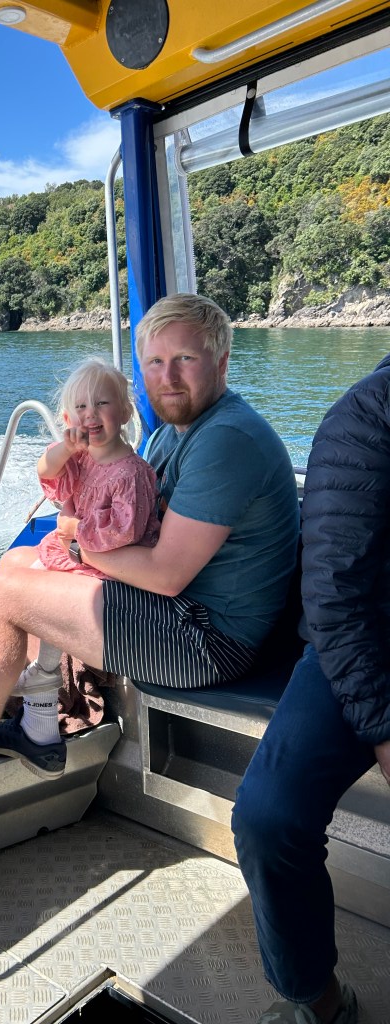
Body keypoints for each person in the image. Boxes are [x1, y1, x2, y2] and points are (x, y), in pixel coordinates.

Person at [0, 292, 301, 801]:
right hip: (177, 613)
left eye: (185, 359)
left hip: (207, 640)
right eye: (155, 362)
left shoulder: (227, 439)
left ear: (222, 361)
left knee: (8, 594)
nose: (168, 376)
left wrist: (74, 542)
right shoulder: (173, 434)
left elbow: (166, 574)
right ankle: (38, 731)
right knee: (14, 562)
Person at [232, 354, 390, 1024]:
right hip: (362, 646)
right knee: (268, 817)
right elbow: (333, 599)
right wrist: (384, 730)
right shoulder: (365, 420)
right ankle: (316, 1000)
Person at [0, 356, 161, 695]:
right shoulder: (81, 459)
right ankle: (37, 667)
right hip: (83, 554)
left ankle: (42, 665)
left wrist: (73, 531)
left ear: (125, 412)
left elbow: (122, 532)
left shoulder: (132, 473)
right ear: (69, 418)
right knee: (16, 567)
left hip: (116, 568)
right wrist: (66, 448)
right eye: (81, 406)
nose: (90, 414)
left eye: (101, 403)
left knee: (29, 584)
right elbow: (47, 471)